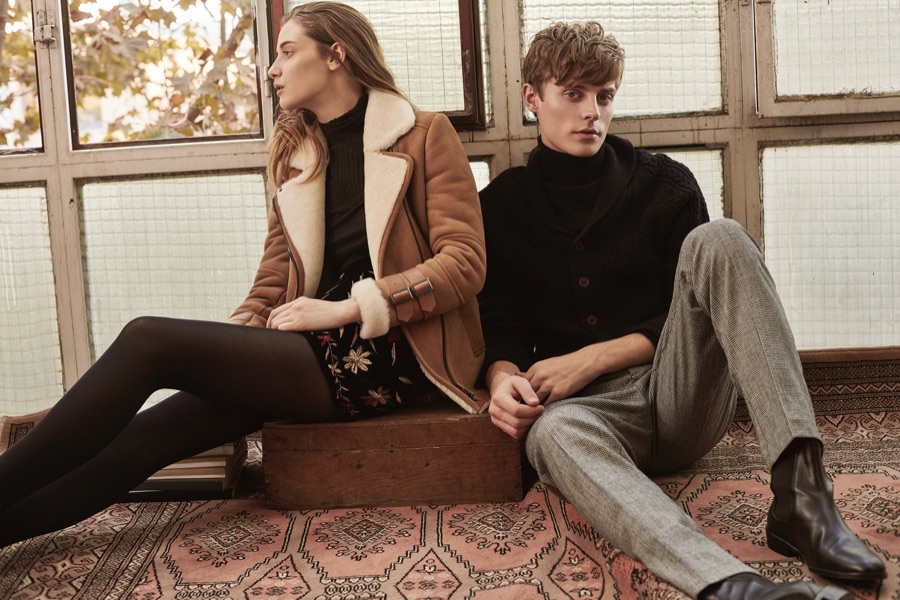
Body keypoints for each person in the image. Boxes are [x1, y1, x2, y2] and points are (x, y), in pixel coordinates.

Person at [0, 1, 487, 547]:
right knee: (150, 436)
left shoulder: (422, 134)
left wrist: (350, 307)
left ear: (336, 55)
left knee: (147, 341)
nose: (273, 70)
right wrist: (237, 337)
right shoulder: (299, 155)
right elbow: (273, 280)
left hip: (400, 349)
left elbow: (464, 262)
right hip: (311, 344)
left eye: (288, 52)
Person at [478, 21, 885, 600]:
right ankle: (731, 585)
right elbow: (502, 323)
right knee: (549, 436)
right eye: (573, 94)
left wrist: (590, 358)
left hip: (680, 394)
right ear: (532, 98)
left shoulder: (664, 184)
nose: (592, 112)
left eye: (604, 96)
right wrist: (502, 381)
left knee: (720, 238)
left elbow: (693, 309)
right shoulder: (500, 206)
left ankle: (804, 501)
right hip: (590, 416)